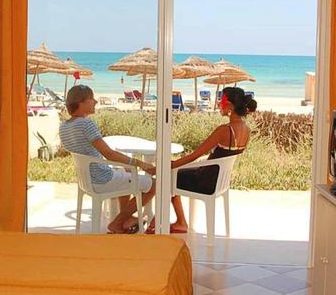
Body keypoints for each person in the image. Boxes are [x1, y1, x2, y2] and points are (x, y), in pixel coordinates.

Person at [147, 86, 256, 234]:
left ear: (230, 105)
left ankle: (161, 222)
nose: (219, 104)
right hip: (218, 180)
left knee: (167, 176)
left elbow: (195, 154)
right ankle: (178, 222)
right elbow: (220, 157)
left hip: (204, 181)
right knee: (175, 173)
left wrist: (168, 166)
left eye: (221, 101)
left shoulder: (224, 130)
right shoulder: (246, 130)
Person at [60, 85, 156, 234]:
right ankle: (117, 223)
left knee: (124, 173)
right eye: (91, 98)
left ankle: (125, 220)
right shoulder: (86, 124)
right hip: (102, 179)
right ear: (81, 102)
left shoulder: (64, 127)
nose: (95, 101)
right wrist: (140, 164)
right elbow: (108, 153)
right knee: (153, 185)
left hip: (88, 180)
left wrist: (126, 166)